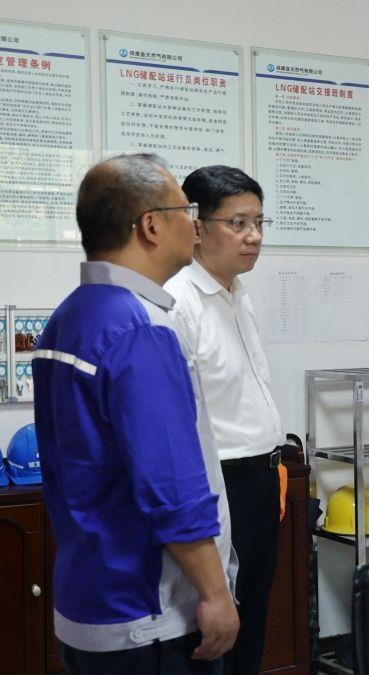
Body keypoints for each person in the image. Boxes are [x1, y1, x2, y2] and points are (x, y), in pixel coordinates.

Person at [32, 154, 239, 674]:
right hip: (150, 616)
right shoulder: (139, 328)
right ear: (150, 225)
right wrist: (215, 593)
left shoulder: (70, 316)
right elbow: (170, 485)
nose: (195, 224)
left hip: (89, 599)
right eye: (186, 210)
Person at [166, 166, 283, 675]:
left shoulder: (236, 294)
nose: (253, 236)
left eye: (258, 222)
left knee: (250, 625)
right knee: (214, 630)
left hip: (262, 482)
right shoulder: (178, 304)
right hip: (218, 488)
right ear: (196, 226)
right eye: (238, 223)